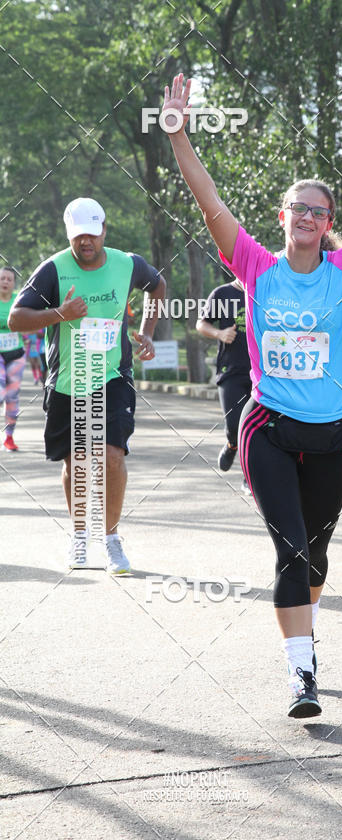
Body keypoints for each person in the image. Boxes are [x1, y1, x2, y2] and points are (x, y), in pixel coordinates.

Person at [164, 73, 342, 718]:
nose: (309, 219)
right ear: (283, 219)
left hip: (332, 434)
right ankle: (302, 676)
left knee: (316, 553)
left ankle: (305, 639)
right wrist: (181, 136)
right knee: (291, 548)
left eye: (320, 213)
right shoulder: (255, 267)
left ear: (329, 226)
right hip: (267, 427)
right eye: (299, 210)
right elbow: (209, 201)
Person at [8, 198, 166, 574]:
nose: (86, 243)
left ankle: (111, 539)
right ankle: (80, 537)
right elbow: (16, 319)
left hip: (113, 377)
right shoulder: (53, 270)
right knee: (76, 464)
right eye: (79, 237)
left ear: (104, 231)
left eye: (92, 235)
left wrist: (145, 332)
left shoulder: (128, 264)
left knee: (112, 455)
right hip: (67, 382)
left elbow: (157, 288)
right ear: (69, 235)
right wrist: (59, 314)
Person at [196, 275, 252, 489]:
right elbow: (201, 324)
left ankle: (249, 478)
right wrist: (219, 333)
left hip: (263, 372)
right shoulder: (222, 293)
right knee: (235, 424)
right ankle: (231, 444)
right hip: (231, 370)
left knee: (256, 428)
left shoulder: (265, 290)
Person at [0, 266, 26, 451]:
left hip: (16, 354)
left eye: (9, 279)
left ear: (14, 283)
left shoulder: (19, 300)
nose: (5, 282)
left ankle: (9, 436)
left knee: (11, 397)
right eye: (2, 278)